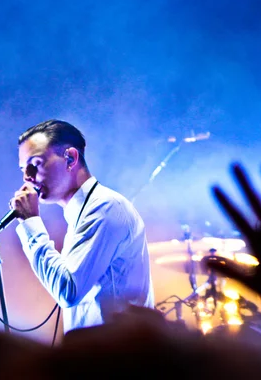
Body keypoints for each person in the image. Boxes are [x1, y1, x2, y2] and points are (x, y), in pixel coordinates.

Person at [10, 119, 154, 332]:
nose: (27, 177)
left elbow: (68, 291)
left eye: (36, 164)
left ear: (70, 158)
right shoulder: (82, 214)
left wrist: (31, 223)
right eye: (23, 168)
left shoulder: (105, 209)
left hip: (121, 358)